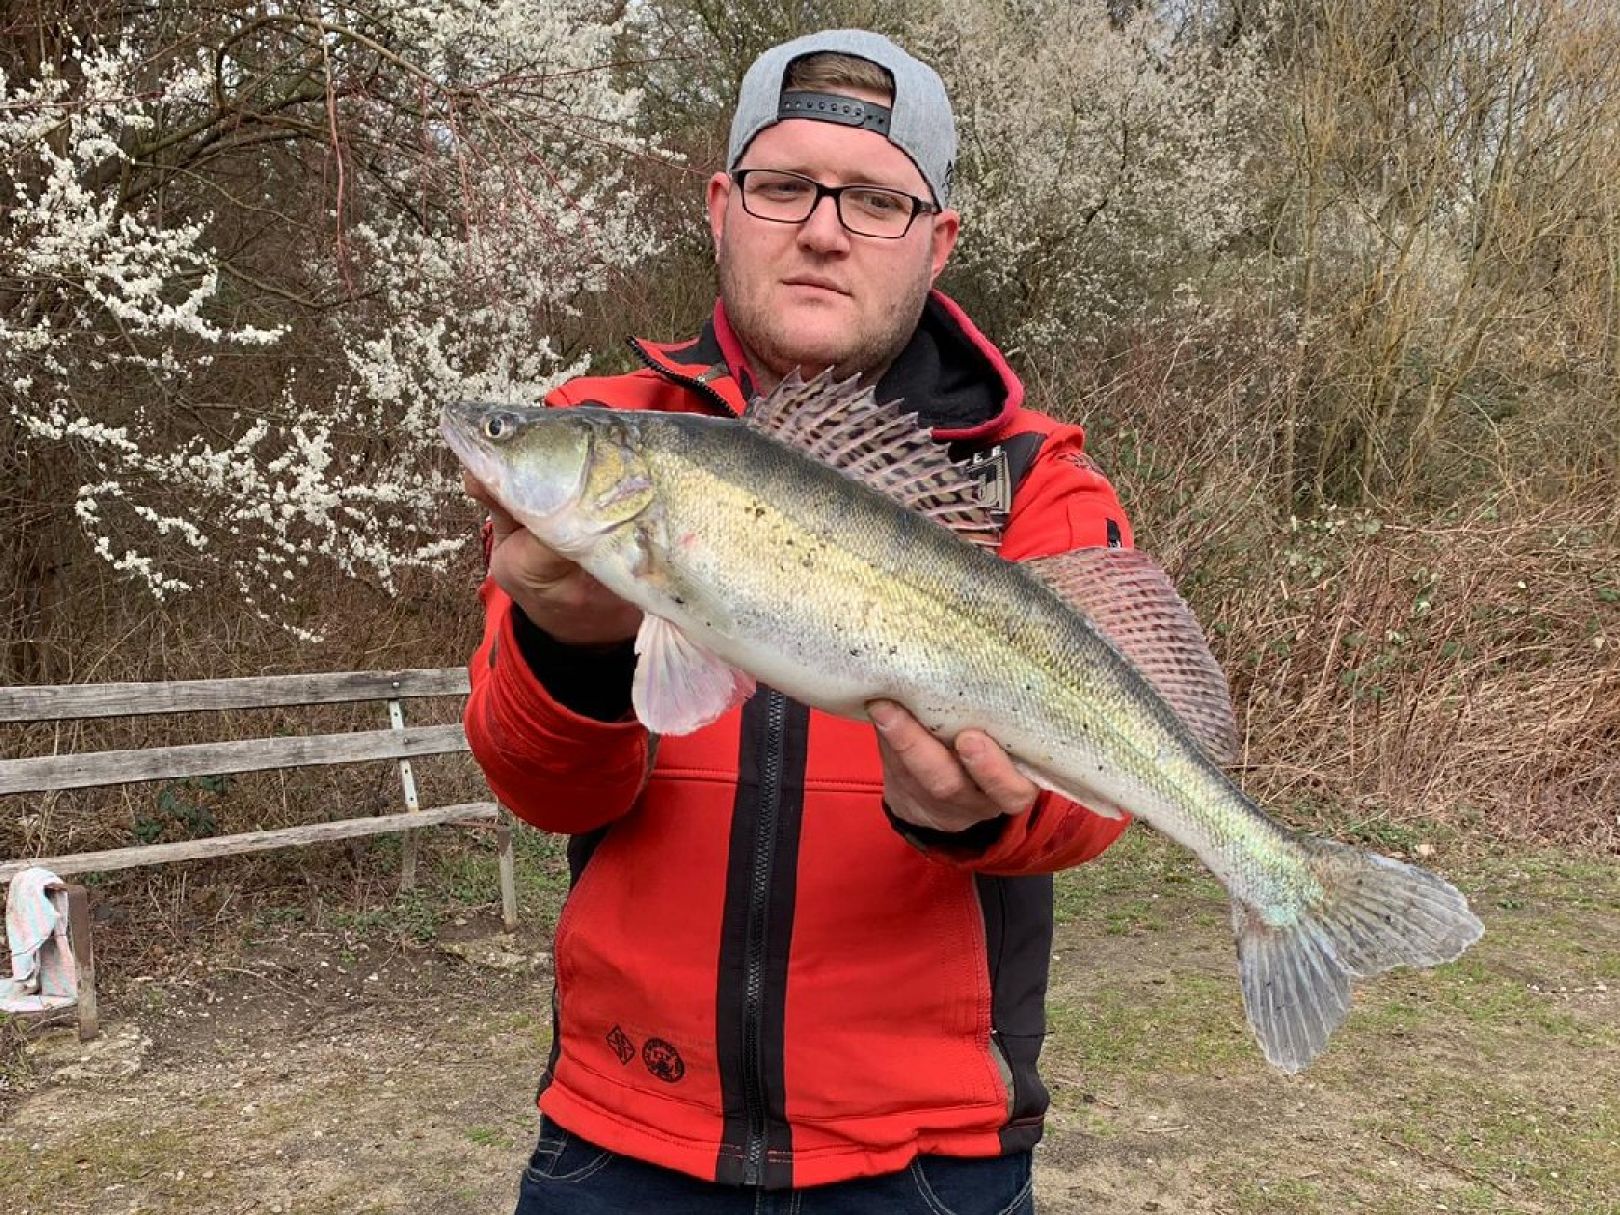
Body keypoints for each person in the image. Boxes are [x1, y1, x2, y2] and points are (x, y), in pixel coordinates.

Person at [462, 29, 1135, 1215]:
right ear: (721, 206)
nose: (823, 228)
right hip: (619, 1144)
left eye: (877, 198)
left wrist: (981, 821)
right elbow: (543, 790)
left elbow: (1103, 800)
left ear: (939, 239)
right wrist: (571, 648)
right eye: (784, 186)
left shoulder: (1037, 482)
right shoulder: (601, 431)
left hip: (929, 1168)